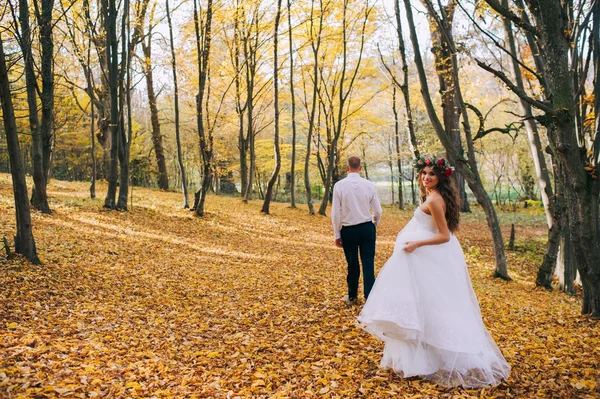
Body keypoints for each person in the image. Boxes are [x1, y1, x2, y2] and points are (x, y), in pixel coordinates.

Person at [357, 156, 510, 388]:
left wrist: (416, 244)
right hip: (419, 258)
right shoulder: (430, 196)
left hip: (426, 257)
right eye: (424, 173)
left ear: (441, 179)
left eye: (432, 174)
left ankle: (436, 355)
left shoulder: (436, 200)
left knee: (432, 305)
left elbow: (444, 235)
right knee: (420, 305)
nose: (426, 177)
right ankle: (421, 358)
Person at [331, 156, 382, 305]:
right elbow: (378, 210)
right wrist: (374, 224)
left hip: (349, 230)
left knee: (352, 264)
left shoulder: (339, 186)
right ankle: (370, 298)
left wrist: (337, 233)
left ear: (347, 168)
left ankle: (352, 296)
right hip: (367, 227)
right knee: (368, 263)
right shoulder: (369, 185)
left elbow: (335, 213)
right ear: (360, 168)